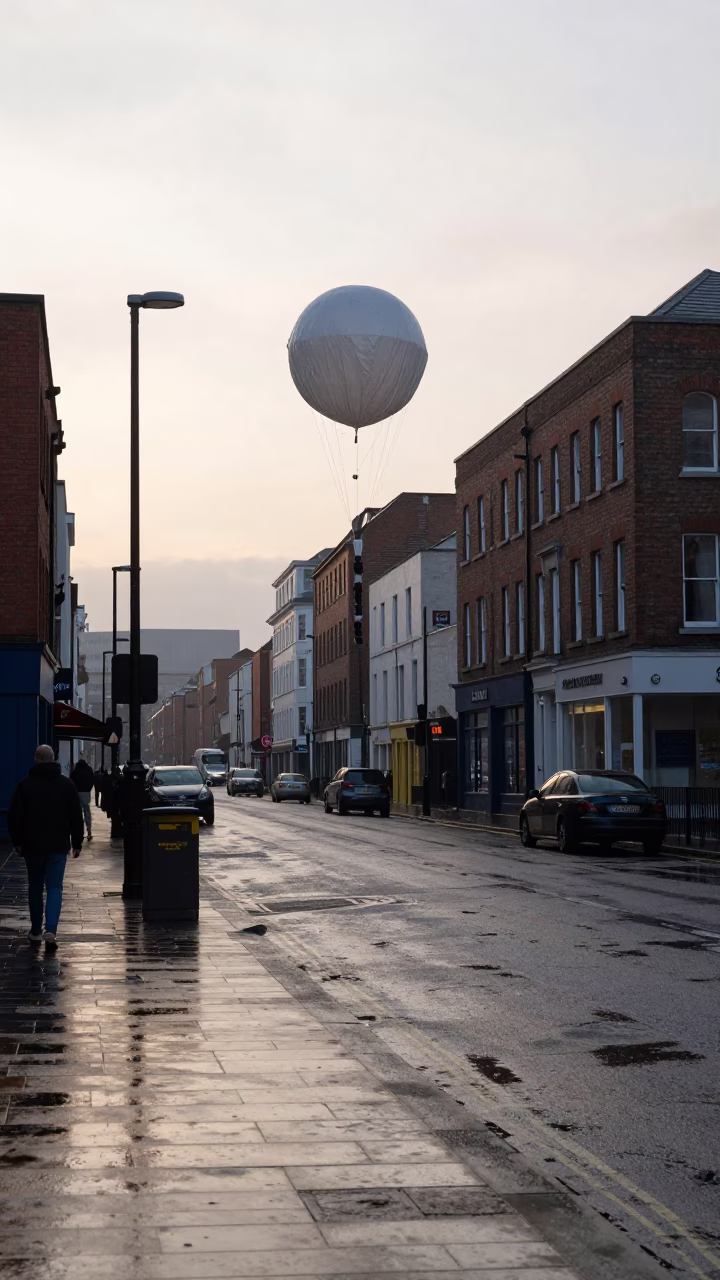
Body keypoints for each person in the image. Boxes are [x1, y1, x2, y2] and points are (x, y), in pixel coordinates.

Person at [8, 744, 84, 948]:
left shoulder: (25, 786)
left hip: (32, 846)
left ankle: (35, 931)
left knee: (35, 886)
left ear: (36, 759)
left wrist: (17, 842)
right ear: (54, 759)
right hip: (58, 845)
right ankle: (51, 930)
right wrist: (77, 842)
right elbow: (76, 816)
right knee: (55, 888)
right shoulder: (66, 785)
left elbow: (14, 816)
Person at [71, 757, 95, 842]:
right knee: (87, 811)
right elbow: (92, 780)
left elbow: (72, 780)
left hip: (77, 793)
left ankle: (78, 831)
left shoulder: (76, 770)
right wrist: (88, 788)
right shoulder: (89, 770)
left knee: (77, 813)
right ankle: (89, 829)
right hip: (85, 792)